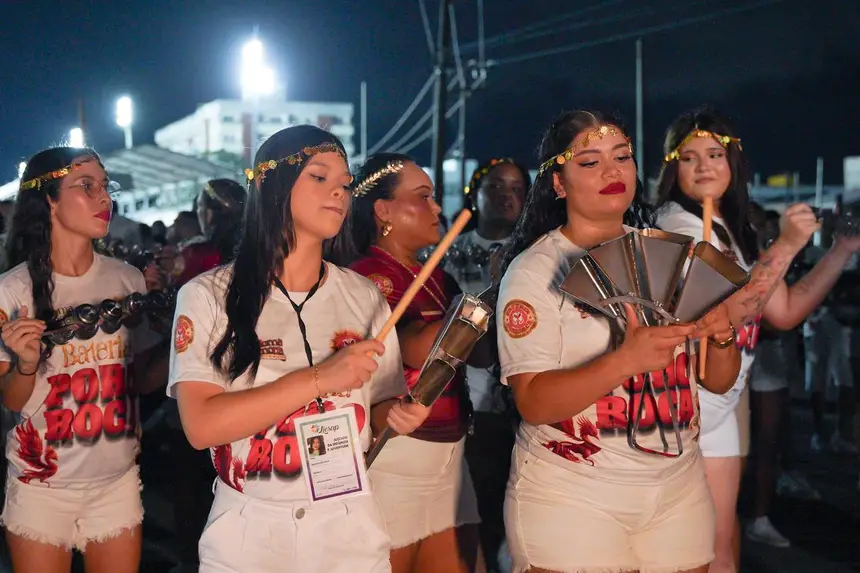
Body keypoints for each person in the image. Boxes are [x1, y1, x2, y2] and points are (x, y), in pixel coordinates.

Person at [168, 126, 429, 573]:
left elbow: (380, 403)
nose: (339, 193)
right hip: (251, 527)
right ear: (274, 185)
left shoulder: (364, 296)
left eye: (345, 183)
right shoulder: (208, 295)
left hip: (347, 525)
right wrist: (321, 378)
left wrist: (397, 415)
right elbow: (202, 425)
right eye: (319, 177)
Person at [496, 110, 740, 573]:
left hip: (678, 488)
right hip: (572, 494)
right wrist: (622, 362)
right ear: (559, 183)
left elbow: (716, 380)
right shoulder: (535, 271)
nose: (613, 172)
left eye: (622, 157)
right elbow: (532, 402)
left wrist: (722, 335)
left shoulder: (668, 253)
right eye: (589, 162)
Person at [655, 107, 860, 573]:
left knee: (724, 547)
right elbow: (730, 311)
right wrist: (786, 245)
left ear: (734, 164)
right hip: (683, 413)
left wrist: (839, 251)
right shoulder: (675, 225)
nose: (705, 166)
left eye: (715, 154)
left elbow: (783, 312)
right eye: (689, 157)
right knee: (693, 555)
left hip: (722, 409)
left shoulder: (732, 227)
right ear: (672, 168)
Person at [0, 147, 166, 573]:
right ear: (49, 200)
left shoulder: (126, 278)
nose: (104, 198)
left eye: (105, 186)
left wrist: (180, 335)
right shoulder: (12, 291)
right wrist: (25, 364)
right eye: (86, 186)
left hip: (116, 482)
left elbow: (145, 383)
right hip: (41, 486)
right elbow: (13, 402)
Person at [339, 152, 487, 573]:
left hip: (451, 458)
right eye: (423, 197)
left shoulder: (439, 277)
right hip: (397, 459)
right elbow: (406, 349)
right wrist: (466, 316)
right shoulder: (365, 276)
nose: (437, 209)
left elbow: (481, 356)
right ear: (383, 210)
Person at [449, 158, 529, 572]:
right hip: (472, 400)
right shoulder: (451, 253)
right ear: (475, 194)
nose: (507, 197)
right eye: (496, 187)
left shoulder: (534, 252)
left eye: (517, 188)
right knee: (477, 500)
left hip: (525, 399)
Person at [171, 179, 246, 287]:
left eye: (200, 206)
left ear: (210, 213)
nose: (198, 212)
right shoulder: (261, 246)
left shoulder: (194, 254)